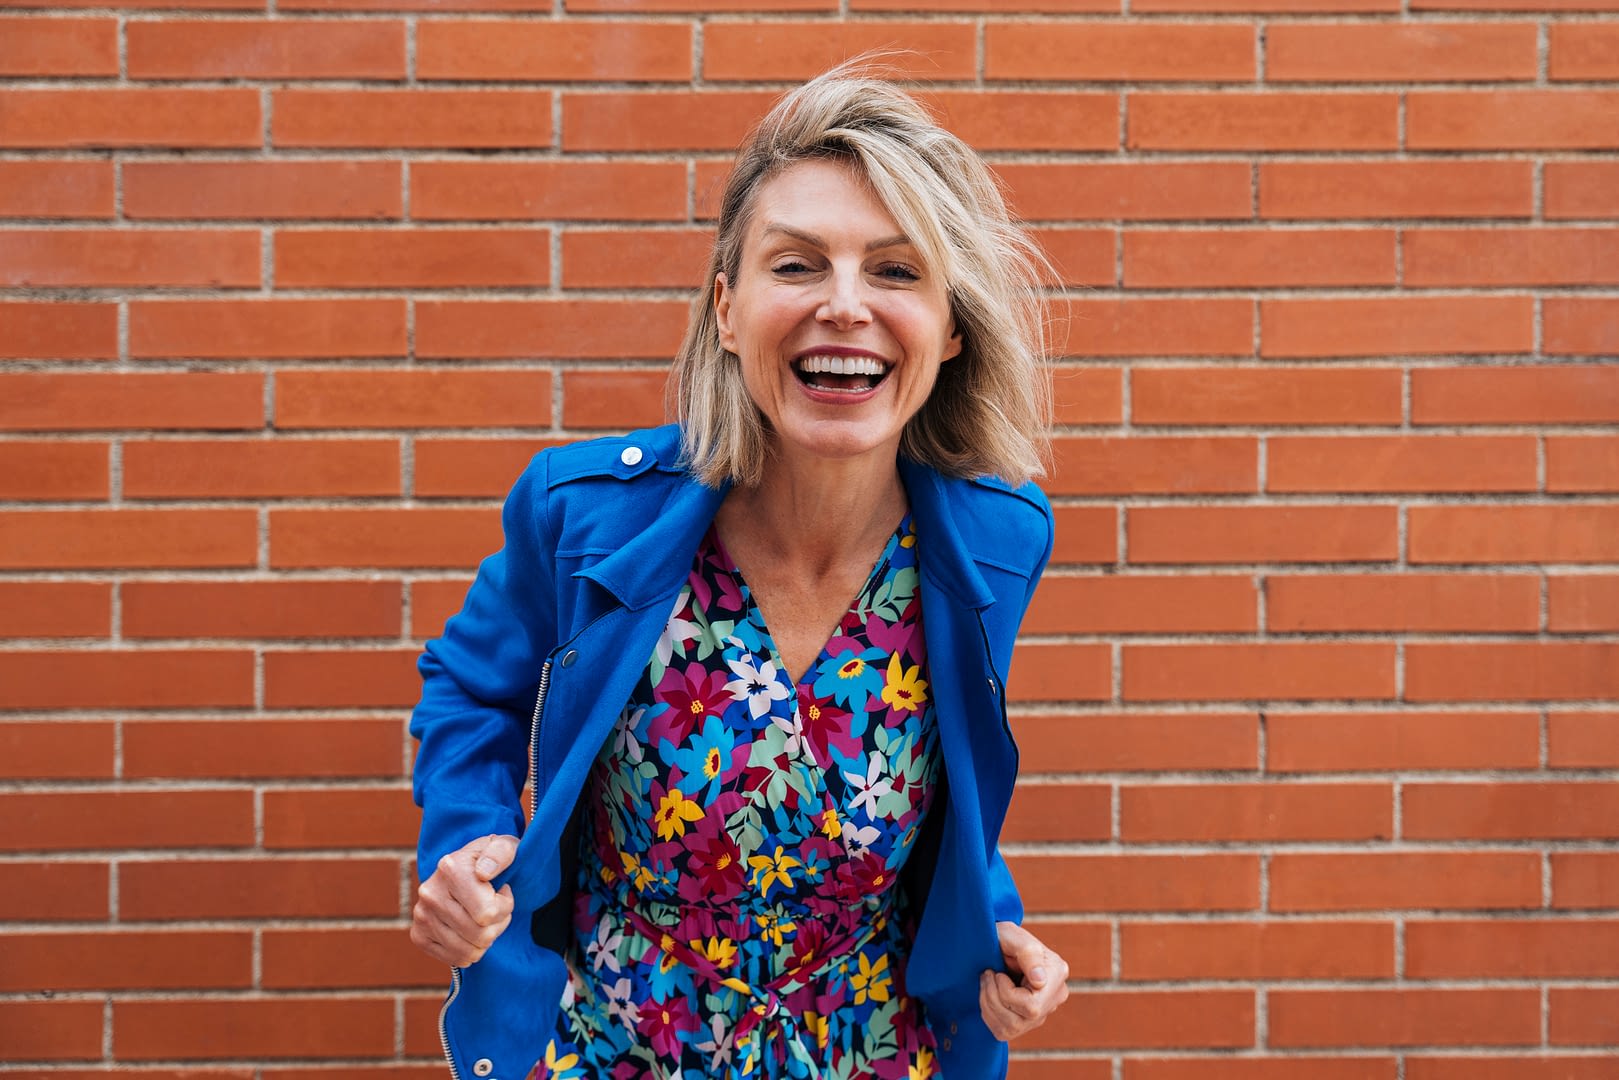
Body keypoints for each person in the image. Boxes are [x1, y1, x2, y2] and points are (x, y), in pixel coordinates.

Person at [408, 64, 1070, 1080]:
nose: (843, 305)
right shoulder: (583, 514)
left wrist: (998, 933)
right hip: (609, 1045)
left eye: (896, 272)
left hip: (875, 1051)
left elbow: (953, 795)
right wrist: (466, 844)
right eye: (796, 265)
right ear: (726, 309)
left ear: (948, 329)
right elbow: (470, 689)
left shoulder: (995, 538)